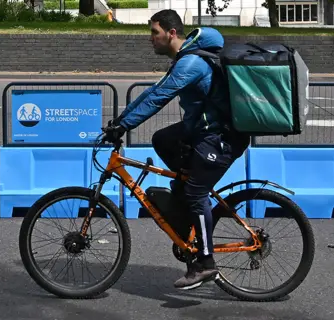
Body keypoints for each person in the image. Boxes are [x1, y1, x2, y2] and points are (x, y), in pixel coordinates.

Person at [104, 9, 250, 290]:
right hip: (202, 131)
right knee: (162, 139)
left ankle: (206, 264)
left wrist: (124, 127)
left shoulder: (191, 63)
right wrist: (119, 122)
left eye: (154, 33)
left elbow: (160, 97)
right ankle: (186, 185)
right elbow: (149, 93)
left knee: (196, 193)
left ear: (171, 33)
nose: (151, 39)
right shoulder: (184, 60)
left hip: (221, 137)